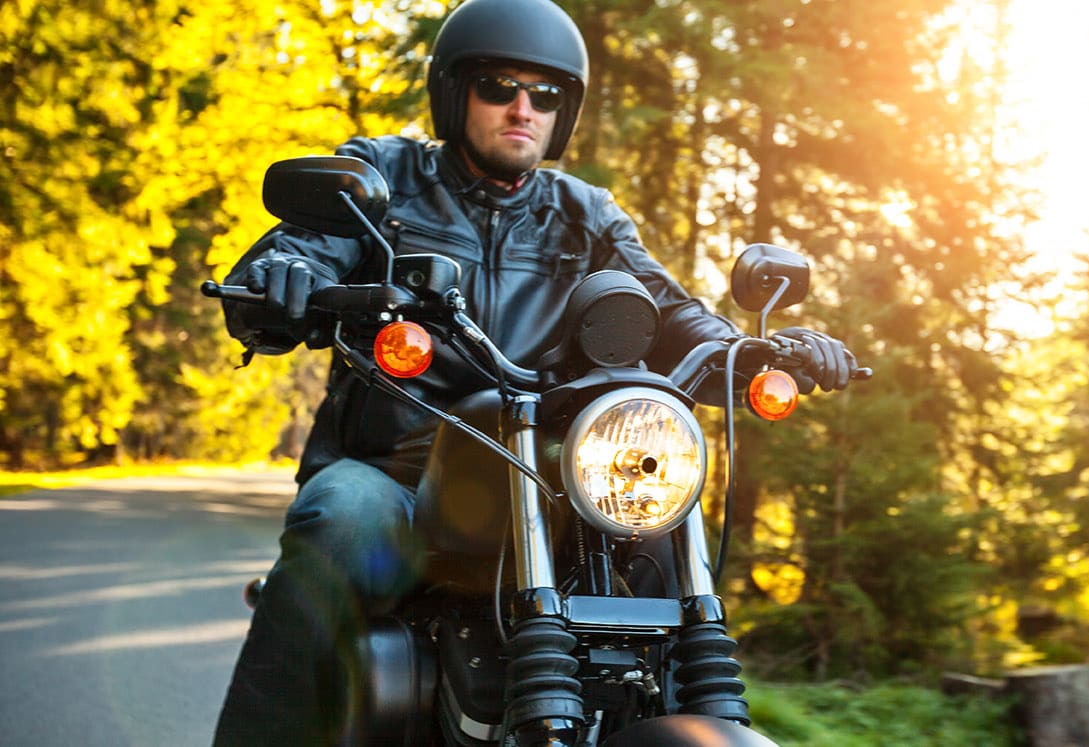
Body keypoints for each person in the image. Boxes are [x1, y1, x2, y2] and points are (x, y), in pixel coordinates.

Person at [212, 0, 853, 743]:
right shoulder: (383, 178)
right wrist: (283, 274)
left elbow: (671, 310)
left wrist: (751, 352)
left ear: (565, 111)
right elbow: (304, 248)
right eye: (498, 86)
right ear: (456, 93)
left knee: (658, 519)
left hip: (550, 471)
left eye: (545, 94)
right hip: (399, 474)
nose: (523, 107)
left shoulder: (585, 213)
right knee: (339, 522)